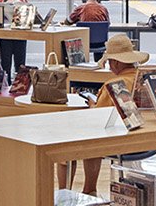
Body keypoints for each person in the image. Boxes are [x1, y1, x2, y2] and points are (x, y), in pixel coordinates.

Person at [63, 34, 149, 196]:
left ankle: (88, 190)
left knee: (83, 141)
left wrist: (93, 105)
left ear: (116, 62)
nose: (109, 66)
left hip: (120, 140)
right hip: (147, 141)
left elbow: (98, 117)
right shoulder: (144, 79)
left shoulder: (113, 85)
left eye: (109, 62)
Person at [0, 0, 29, 77]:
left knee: (20, 61)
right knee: (5, 60)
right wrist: (4, 2)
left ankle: (19, 80)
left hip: (19, 32)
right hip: (6, 33)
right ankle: (7, 81)